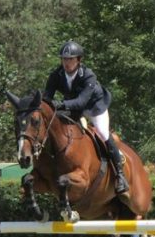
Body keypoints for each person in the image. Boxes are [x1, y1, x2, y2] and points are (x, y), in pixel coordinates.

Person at [42, 41, 128, 194]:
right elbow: (47, 96)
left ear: (78, 60)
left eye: (70, 59)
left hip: (94, 107)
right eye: (64, 59)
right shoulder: (56, 75)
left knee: (102, 132)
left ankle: (120, 175)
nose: (66, 63)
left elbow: (81, 101)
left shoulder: (88, 75)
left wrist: (60, 104)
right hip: (73, 107)